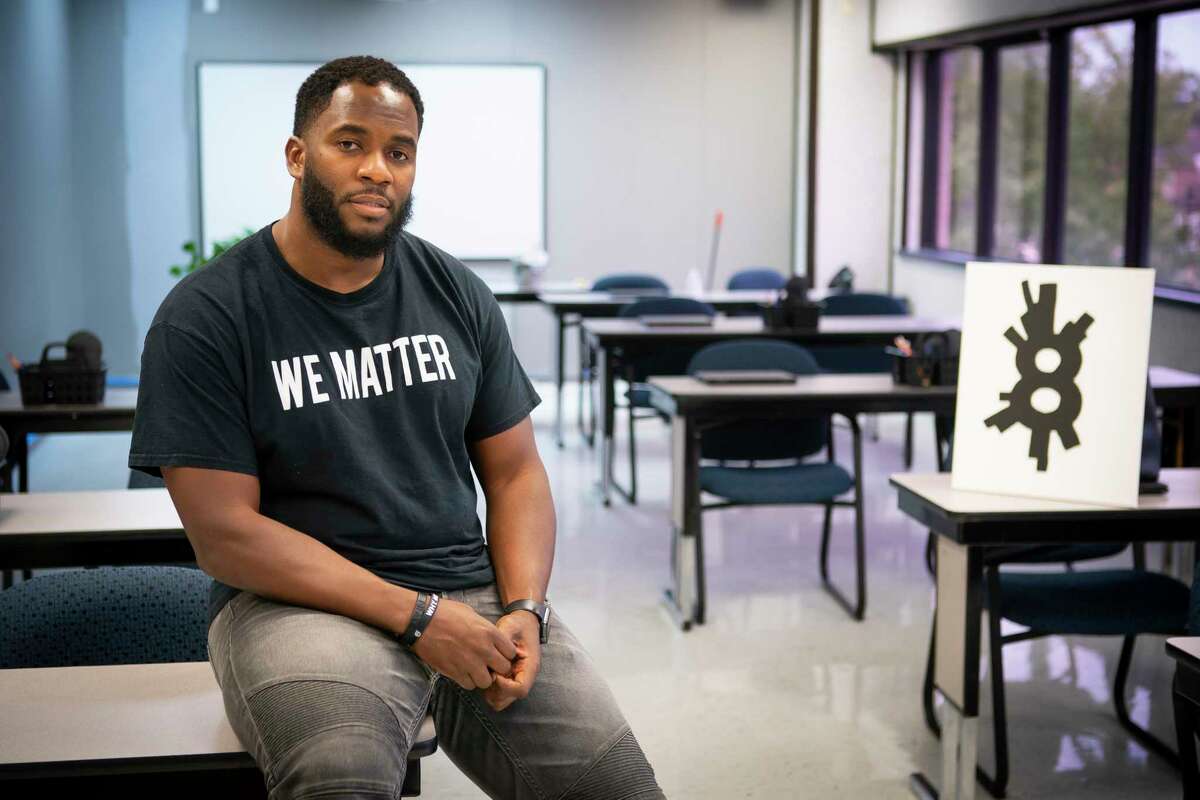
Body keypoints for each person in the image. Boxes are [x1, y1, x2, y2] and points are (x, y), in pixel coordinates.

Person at [129, 55, 664, 800]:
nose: (377, 169)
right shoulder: (208, 317)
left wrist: (525, 611)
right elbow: (225, 535)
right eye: (349, 143)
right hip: (296, 605)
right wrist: (418, 619)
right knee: (338, 779)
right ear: (296, 155)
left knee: (623, 792)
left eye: (398, 151)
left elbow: (514, 473)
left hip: (470, 594)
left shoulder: (455, 292)